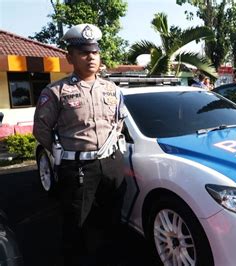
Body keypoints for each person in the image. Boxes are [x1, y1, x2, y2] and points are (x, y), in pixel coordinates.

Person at [33, 24, 127, 266]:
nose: (91, 57)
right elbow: (41, 130)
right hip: (78, 170)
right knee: (76, 224)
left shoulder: (112, 89)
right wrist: (67, 154)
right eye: (84, 52)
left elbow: (120, 124)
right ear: (70, 57)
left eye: (94, 52)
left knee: (112, 220)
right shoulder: (56, 91)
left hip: (111, 164)